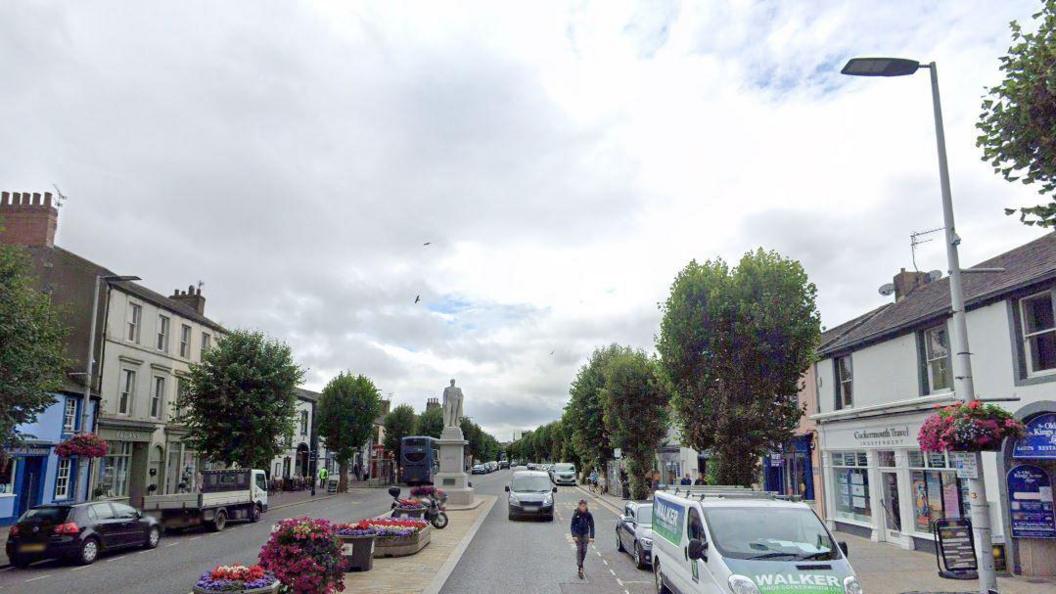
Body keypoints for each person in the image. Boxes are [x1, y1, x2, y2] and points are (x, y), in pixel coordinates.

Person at [570, 499, 595, 579]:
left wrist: (591, 537)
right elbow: (572, 526)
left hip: (585, 534)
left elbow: (592, 526)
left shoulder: (588, 515)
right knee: (579, 549)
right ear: (579, 506)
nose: (583, 508)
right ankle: (580, 567)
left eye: (584, 506)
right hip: (577, 534)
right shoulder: (576, 514)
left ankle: (580, 563)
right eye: (582, 506)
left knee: (584, 550)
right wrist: (574, 535)